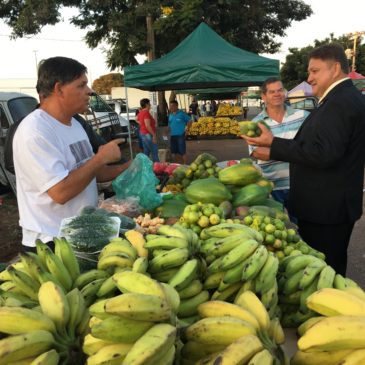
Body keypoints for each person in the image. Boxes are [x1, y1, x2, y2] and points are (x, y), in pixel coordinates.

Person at [242, 44, 365, 275]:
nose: (309, 78)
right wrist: (272, 144)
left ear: (336, 68)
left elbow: (323, 153)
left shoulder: (339, 102)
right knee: (328, 267)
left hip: (327, 210)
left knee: (324, 271)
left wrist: (273, 147)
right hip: (329, 207)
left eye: (315, 71)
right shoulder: (339, 99)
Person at [13, 56, 130, 252]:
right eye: (81, 85)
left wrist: (130, 166)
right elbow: (61, 192)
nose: (89, 91)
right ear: (59, 89)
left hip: (82, 233)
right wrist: (100, 158)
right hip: (52, 242)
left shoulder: (74, 124)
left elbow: (92, 173)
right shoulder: (35, 131)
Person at [249, 77, 309, 219]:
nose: (277, 94)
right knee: (278, 228)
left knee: (303, 227)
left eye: (280, 90)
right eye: (272, 92)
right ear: (264, 96)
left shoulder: (303, 116)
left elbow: (309, 149)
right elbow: (258, 153)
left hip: (299, 184)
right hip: (271, 186)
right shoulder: (257, 123)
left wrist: (274, 149)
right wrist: (294, 151)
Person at [168, 100, 191, 164]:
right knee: (174, 152)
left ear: (176, 106)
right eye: (170, 106)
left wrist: (187, 130)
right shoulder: (170, 115)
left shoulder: (182, 113)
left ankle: (185, 165)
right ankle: (178, 165)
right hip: (172, 136)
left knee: (182, 151)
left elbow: (190, 120)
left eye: (172, 106)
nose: (171, 108)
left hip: (180, 135)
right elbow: (169, 124)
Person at [137, 98, 159, 162]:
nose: (150, 105)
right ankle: (157, 169)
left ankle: (145, 168)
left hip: (143, 133)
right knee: (154, 152)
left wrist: (141, 124)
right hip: (147, 134)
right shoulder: (146, 113)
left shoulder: (141, 112)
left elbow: (136, 119)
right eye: (149, 104)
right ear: (146, 104)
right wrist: (154, 135)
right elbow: (147, 125)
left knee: (146, 152)